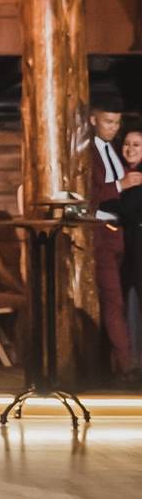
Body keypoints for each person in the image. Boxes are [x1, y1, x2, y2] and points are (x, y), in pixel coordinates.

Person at [88, 103, 142, 383]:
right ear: (94, 120)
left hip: (121, 232)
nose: (113, 128)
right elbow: (90, 193)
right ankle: (125, 365)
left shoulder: (114, 151)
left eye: (117, 123)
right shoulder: (89, 152)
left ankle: (119, 362)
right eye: (108, 122)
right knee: (113, 299)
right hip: (100, 231)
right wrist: (122, 185)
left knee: (119, 299)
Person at [120, 130, 142, 372]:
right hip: (129, 248)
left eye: (136, 144)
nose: (131, 149)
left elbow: (126, 208)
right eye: (127, 144)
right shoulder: (123, 173)